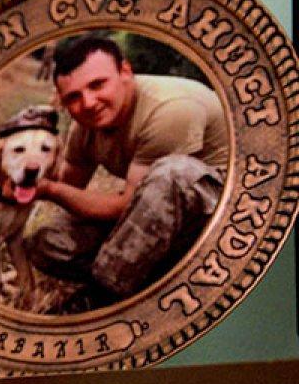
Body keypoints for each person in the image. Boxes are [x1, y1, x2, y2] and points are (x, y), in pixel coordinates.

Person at [27, 34, 227, 306]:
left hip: (219, 212)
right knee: (45, 242)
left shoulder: (170, 108)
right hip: (155, 213)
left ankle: (103, 296)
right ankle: (151, 280)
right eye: (73, 97)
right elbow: (68, 185)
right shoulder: (85, 125)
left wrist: (49, 190)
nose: (88, 103)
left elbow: (125, 205)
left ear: (125, 71)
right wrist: (29, 168)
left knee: (171, 173)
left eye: (98, 85)